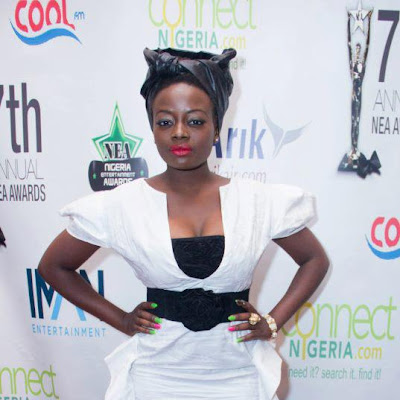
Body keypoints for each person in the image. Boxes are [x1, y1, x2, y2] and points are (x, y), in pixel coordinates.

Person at [38, 47, 329, 400]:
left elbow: (314, 260)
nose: (179, 133)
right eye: (165, 122)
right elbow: (54, 267)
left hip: (238, 376)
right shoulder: (121, 204)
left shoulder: (259, 201)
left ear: (217, 127)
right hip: (155, 377)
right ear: (152, 129)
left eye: (195, 121)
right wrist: (122, 320)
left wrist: (272, 321)